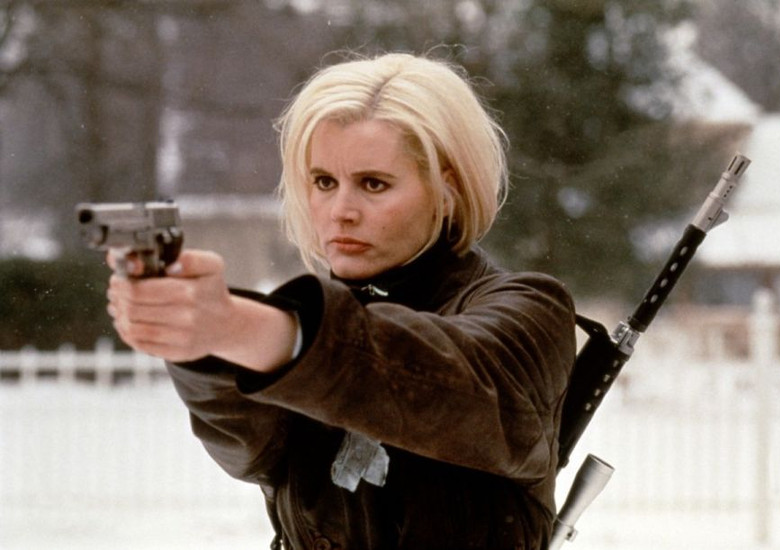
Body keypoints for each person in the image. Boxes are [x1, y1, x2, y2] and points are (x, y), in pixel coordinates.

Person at [106, 52, 577, 550]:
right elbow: (251, 449)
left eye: (374, 183)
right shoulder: (310, 323)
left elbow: (436, 384)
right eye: (324, 182)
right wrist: (200, 343)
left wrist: (241, 328)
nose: (340, 211)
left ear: (448, 190)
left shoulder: (531, 311)